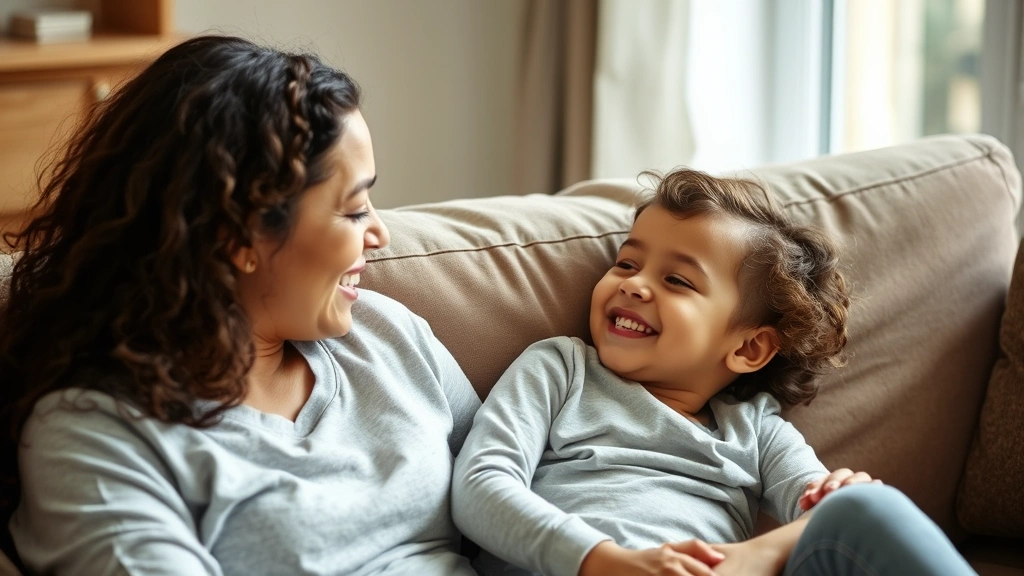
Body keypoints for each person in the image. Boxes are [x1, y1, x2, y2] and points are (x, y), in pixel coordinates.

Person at [0, 35, 480, 575]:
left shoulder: (390, 337)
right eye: (352, 211)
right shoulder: (96, 436)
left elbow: (525, 491)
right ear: (239, 238)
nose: (380, 233)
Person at [451, 169, 977, 576]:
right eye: (628, 263)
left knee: (867, 505)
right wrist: (602, 561)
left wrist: (827, 503)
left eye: (677, 281)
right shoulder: (561, 369)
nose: (634, 286)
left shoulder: (756, 429)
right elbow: (479, 486)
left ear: (749, 348)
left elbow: (820, 509)